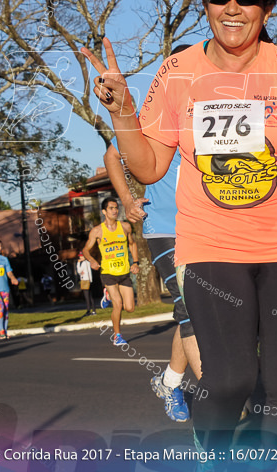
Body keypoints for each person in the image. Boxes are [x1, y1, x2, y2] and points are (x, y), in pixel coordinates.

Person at [81, 0, 277, 451]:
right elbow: (149, 167)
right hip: (210, 246)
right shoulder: (178, 71)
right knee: (229, 380)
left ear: (266, 8)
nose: (233, 8)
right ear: (205, 6)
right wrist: (121, 111)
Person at [105, 136, 200, 424]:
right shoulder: (154, 114)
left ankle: (169, 382)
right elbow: (112, 155)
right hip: (165, 227)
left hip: (207, 228)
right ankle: (219, 392)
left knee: (198, 310)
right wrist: (126, 200)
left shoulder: (216, 105)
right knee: (191, 307)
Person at [82, 197, 138, 347]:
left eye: (116, 208)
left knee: (130, 308)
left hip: (124, 272)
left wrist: (136, 263)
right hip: (108, 273)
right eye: (111, 208)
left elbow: (132, 244)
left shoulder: (125, 227)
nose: (115, 211)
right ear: (104, 211)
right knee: (118, 304)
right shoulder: (97, 231)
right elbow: (85, 250)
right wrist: (92, 260)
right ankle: (117, 336)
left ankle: (106, 295)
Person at [75, 251, 95, 315]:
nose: (80, 257)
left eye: (81, 256)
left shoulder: (83, 263)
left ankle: (88, 310)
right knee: (90, 296)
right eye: (80, 256)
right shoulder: (88, 262)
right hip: (89, 280)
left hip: (85, 280)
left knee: (86, 296)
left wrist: (78, 263)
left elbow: (79, 271)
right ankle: (94, 310)